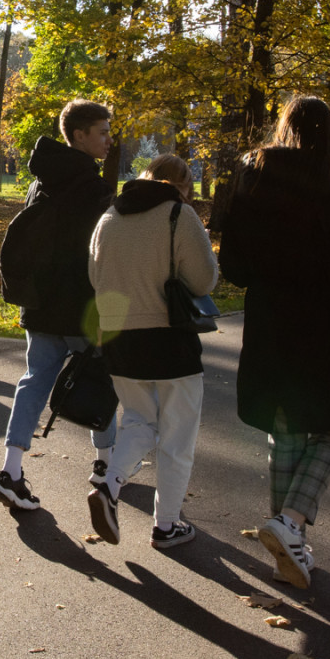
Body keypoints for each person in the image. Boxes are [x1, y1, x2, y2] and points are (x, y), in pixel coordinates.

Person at [218, 97, 330, 588]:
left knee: (285, 430)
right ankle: (291, 523)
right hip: (322, 323)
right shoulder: (329, 191)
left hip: (269, 322)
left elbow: (234, 268)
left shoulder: (249, 183)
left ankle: (289, 543)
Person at [84, 153, 218, 549]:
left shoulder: (108, 218)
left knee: (139, 421)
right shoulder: (178, 215)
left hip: (119, 338)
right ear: (183, 185)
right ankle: (166, 525)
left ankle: (109, 486)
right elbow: (204, 279)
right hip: (169, 338)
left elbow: (95, 276)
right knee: (178, 437)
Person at [0, 100, 116, 512]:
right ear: (78, 135)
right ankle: (104, 468)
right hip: (80, 307)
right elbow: (99, 253)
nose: (108, 140)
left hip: (41, 305)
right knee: (101, 382)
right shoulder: (93, 188)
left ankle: (11, 470)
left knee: (33, 381)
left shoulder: (40, 181)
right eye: (101, 132)